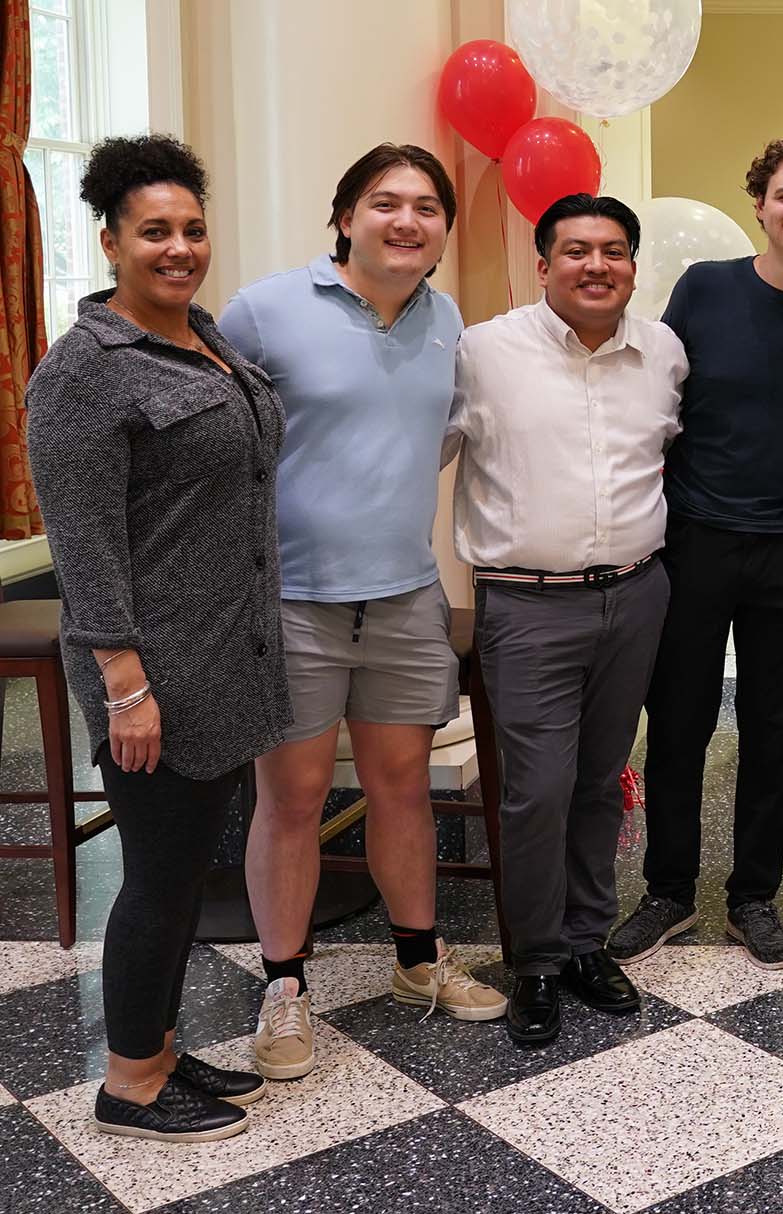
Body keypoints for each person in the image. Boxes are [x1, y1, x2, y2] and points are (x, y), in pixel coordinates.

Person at [219, 144, 503, 1081]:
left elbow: (437, 436)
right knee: (294, 798)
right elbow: (212, 446)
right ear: (344, 215)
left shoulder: (444, 317)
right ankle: (286, 988)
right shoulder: (264, 312)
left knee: (403, 789)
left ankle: (417, 959)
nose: (407, 221)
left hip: (403, 596)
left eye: (427, 207)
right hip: (291, 601)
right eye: (386, 202)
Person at [27, 134, 288, 1140]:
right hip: (156, 671)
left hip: (224, 658)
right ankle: (129, 1084)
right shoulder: (86, 370)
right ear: (110, 242)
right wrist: (126, 686)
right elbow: (83, 545)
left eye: (191, 228)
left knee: (181, 872)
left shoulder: (202, 340)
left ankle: (160, 1047)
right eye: (154, 232)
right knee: (158, 879)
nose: (178, 247)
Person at [607, 135, 783, 973]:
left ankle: (753, 895)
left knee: (774, 727)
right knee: (680, 721)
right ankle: (669, 891)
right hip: (694, 537)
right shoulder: (707, 287)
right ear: (760, 203)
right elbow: (657, 390)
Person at [446, 194, 686, 1046]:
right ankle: (536, 961)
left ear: (632, 264)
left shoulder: (660, 351)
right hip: (527, 603)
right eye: (577, 251)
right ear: (544, 264)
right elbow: (414, 452)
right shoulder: (480, 353)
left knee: (600, 779)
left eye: (614, 251)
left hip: (636, 594)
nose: (597, 266)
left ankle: (587, 941)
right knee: (537, 789)